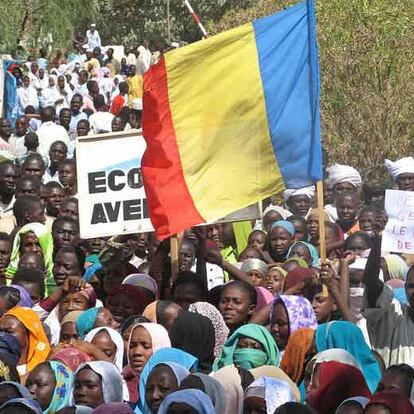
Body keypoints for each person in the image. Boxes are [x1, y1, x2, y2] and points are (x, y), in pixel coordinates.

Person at [0, 306, 50, 376]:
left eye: (8, 332)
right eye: (0, 331)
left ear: (28, 333)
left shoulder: (45, 360)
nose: (2, 335)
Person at [214, 323, 280, 371]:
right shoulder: (220, 380)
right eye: (242, 347)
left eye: (255, 348)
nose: (248, 353)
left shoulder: (279, 384)